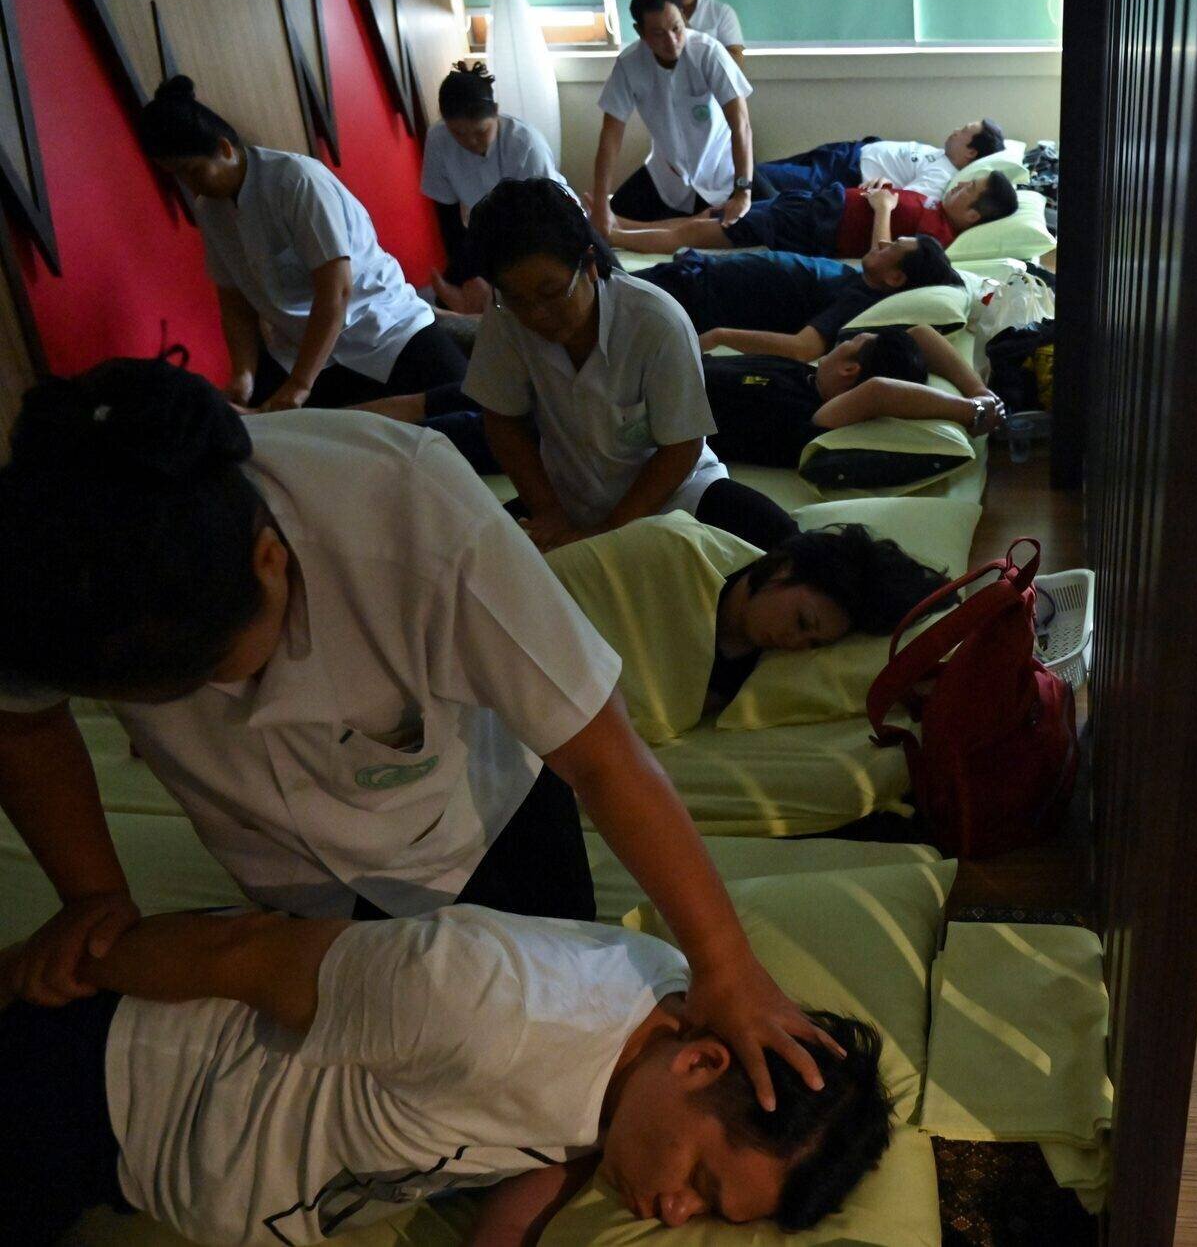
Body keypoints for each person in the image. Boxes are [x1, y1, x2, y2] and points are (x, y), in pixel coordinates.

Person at [0, 359, 834, 1119]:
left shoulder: (408, 508)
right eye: (146, 705)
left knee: (566, 1090)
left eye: (206, 672)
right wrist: (92, 894)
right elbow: (24, 718)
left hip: (481, 822)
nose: (205, 703)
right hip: (278, 866)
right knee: (360, 1081)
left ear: (268, 560)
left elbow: (605, 757)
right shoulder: (49, 567)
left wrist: (725, 965)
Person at [0, 904, 891, 1242]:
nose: (675, 1208)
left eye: (704, 1208)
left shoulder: (643, 1069)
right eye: (701, 1179)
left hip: (145, 1162)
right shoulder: (489, 1006)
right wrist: (42, 969)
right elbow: (249, 951)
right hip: (90, 1084)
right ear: (702, 1060)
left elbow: (554, 1147)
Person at [460, 178, 789, 553]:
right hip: (568, 503)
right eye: (518, 299)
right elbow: (502, 420)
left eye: (551, 293)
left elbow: (682, 446)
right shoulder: (506, 316)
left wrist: (609, 534)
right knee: (469, 557)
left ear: (588, 265)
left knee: (782, 543)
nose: (537, 314)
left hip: (675, 498)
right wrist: (550, 514)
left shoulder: (656, 323)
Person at [136, 76, 470, 421]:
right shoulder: (211, 211)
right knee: (263, 436)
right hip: (302, 348)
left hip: (382, 327)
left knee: (467, 412)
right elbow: (235, 303)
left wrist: (299, 384)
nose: (190, 186)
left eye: (193, 171)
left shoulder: (296, 181)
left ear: (224, 149)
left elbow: (336, 291)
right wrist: (243, 374)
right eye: (178, 176)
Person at [707, 524, 956, 708]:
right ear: (783, 569)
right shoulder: (721, 541)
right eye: (802, 621)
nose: (794, 642)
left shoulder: (736, 680)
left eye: (813, 643)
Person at [705, 326, 1004, 473]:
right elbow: (921, 335)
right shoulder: (811, 377)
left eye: (848, 342)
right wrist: (981, 391)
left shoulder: (816, 416)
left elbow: (878, 391)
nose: (840, 341)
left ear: (850, 368)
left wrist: (971, 410)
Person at [594, 0, 764, 230]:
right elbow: (610, 137)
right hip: (666, 175)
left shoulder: (708, 52)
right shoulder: (629, 65)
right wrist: (601, 203)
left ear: (684, 18)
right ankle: (681, 224)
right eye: (658, 34)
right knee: (604, 222)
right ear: (640, 32)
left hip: (722, 169)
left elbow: (741, 126)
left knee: (774, 220)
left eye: (676, 28)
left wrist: (743, 192)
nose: (671, 41)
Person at [633, 237, 963, 362]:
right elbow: (883, 249)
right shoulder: (867, 281)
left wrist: (721, 336)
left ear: (895, 279)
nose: (881, 241)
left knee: (602, 288)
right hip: (695, 274)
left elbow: (804, 348)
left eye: (892, 247)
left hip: (695, 294)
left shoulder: (859, 300)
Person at [420, 60, 572, 315]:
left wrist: (494, 279)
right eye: (458, 133)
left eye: (480, 132)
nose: (469, 141)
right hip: (490, 228)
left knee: (542, 288)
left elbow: (539, 225)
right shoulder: (438, 141)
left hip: (549, 223)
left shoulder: (525, 145)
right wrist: (470, 277)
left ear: (496, 113)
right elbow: (448, 222)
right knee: (449, 297)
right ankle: (474, 301)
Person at [610, 171, 1018, 257]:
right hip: (819, 205)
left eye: (969, 190)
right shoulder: (938, 209)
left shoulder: (938, 236)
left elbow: (882, 256)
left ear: (975, 217)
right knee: (714, 215)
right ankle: (626, 226)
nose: (959, 186)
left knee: (704, 232)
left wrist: (881, 208)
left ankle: (615, 237)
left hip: (815, 224)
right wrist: (877, 193)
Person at [757, 121, 1007, 201]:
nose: (956, 130)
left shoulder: (941, 177)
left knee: (757, 175)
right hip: (847, 153)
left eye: (964, 130)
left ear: (971, 152)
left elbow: (905, 202)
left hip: (844, 174)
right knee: (765, 173)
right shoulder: (942, 157)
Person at [666, 0, 745, 65]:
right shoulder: (660, 15)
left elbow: (737, 61)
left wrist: (687, 31)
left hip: (711, 79)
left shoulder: (721, 12)